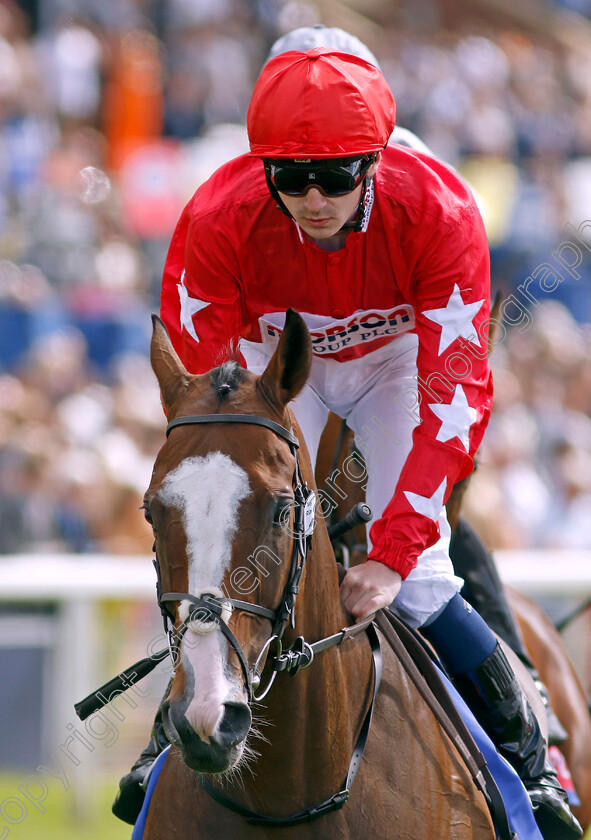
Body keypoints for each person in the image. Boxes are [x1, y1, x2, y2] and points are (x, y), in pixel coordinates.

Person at [113, 48, 582, 840]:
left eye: (336, 176)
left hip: (400, 362)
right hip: (272, 355)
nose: (312, 197)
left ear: (376, 159)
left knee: (428, 577)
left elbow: (455, 400)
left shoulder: (441, 210)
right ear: (261, 168)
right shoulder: (216, 213)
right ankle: (172, 737)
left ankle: (531, 770)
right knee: (229, 548)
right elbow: (200, 399)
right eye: (290, 177)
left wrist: (394, 552)